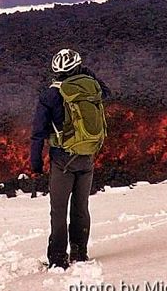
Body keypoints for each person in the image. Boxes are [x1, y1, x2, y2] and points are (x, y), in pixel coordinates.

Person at [29, 48, 111, 269]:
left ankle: (57, 259)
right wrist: (87, 73)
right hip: (86, 157)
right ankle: (79, 252)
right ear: (78, 66)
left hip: (62, 159)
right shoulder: (91, 86)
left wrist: (35, 163)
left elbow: (38, 132)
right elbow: (106, 92)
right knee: (80, 207)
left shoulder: (50, 94)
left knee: (58, 209)